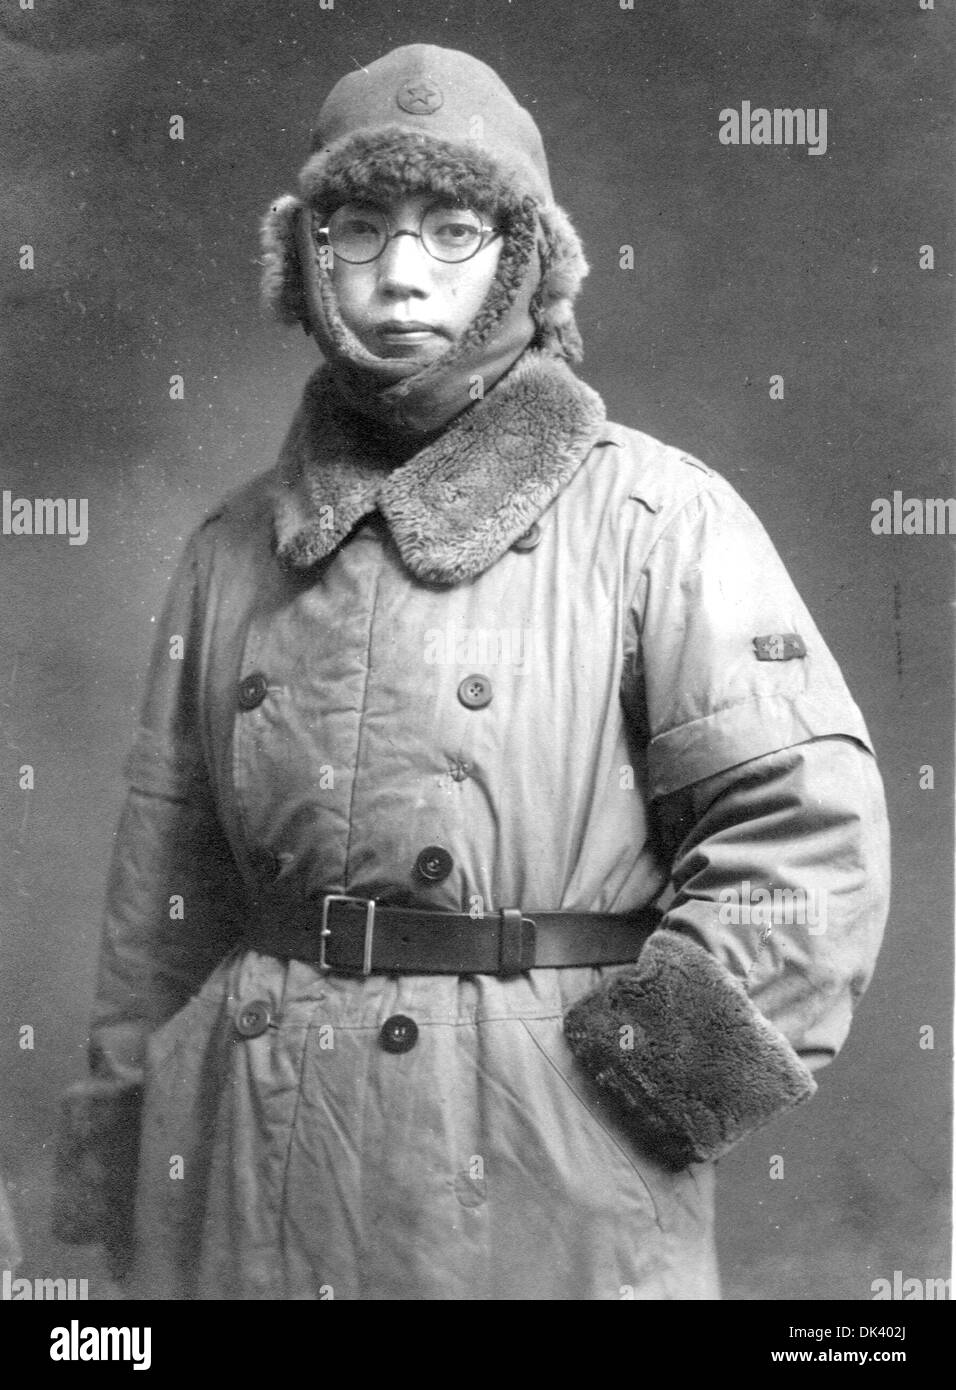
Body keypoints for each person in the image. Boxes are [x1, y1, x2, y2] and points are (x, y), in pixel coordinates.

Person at [52, 43, 889, 1301]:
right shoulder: (230, 547)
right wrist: (137, 1141)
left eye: (452, 229)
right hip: (247, 1164)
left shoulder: (657, 516)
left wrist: (631, 1092)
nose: (398, 272)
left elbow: (808, 839)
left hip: (540, 1179)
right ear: (306, 258)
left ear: (522, 264)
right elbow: (161, 891)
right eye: (358, 226)